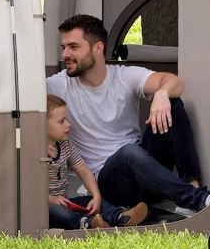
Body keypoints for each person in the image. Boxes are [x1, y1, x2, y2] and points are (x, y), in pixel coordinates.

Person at [46, 14, 210, 219]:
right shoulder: (58, 86)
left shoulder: (124, 77)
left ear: (97, 48)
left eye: (73, 47)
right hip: (111, 183)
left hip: (145, 169)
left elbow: (175, 82)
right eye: (64, 47)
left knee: (172, 102)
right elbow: (26, 107)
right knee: (128, 154)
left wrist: (161, 94)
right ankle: (197, 199)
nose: (65, 54)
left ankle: (191, 187)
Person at [45, 95, 147, 230]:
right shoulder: (32, 152)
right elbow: (27, 189)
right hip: (44, 207)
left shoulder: (66, 145)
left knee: (88, 202)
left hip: (65, 201)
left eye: (67, 119)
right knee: (55, 212)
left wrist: (96, 196)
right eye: (61, 121)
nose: (68, 124)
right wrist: (51, 199)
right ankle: (86, 223)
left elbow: (84, 172)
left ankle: (121, 217)